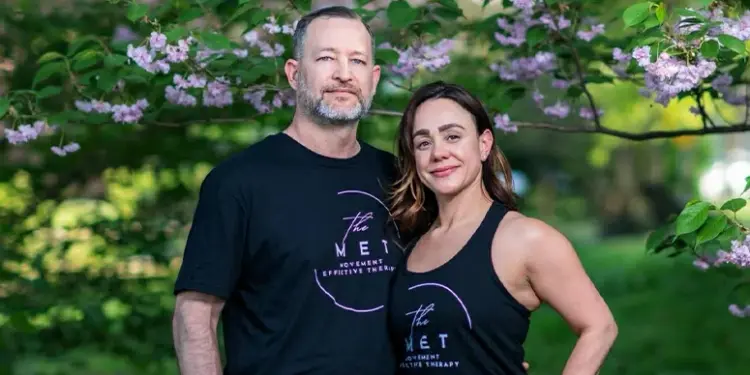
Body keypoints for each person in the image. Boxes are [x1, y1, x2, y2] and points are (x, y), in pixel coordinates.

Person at [171, 6, 403, 375]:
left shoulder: (398, 178)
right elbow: (195, 313)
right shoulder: (238, 182)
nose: (344, 74)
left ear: (373, 78)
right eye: (327, 58)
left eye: (357, 61)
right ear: (294, 74)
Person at [386, 81, 618, 374]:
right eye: (423, 142)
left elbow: (599, 326)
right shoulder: (409, 243)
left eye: (453, 136)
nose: (438, 152)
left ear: (484, 144)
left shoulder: (525, 239)